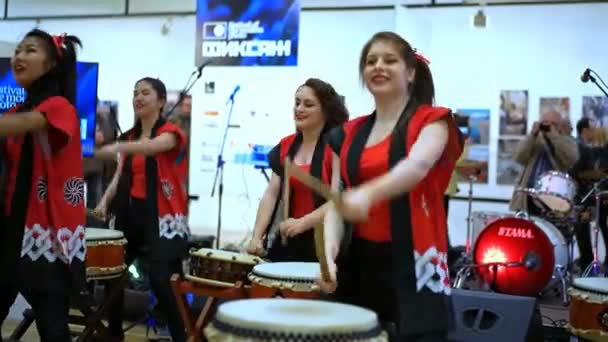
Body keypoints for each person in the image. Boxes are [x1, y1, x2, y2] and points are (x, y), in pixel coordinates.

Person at [318, 31, 463, 341]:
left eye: (389, 60)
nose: (378, 66)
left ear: (410, 72)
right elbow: (336, 201)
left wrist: (368, 194)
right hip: (360, 263)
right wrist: (328, 253)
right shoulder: (347, 133)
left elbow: (416, 166)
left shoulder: (433, 121)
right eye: (371, 61)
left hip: (416, 264)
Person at [0, 29, 85, 342]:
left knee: (52, 328)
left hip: (45, 236)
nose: (19, 56)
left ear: (51, 65)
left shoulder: (59, 107)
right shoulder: (13, 111)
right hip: (9, 230)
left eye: (30, 50)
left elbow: (27, 124)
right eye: (18, 50)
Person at [94, 77, 189, 342]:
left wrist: (118, 146)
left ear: (160, 101)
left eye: (145, 93)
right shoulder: (130, 137)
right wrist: (104, 201)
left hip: (162, 218)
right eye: (135, 93)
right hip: (131, 215)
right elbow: (120, 175)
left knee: (161, 280)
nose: (138, 97)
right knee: (112, 274)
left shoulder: (171, 132)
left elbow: (152, 147)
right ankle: (113, 334)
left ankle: (181, 335)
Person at [246, 78, 349, 261]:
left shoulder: (337, 147)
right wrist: (256, 237)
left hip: (328, 241)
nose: (299, 109)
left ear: (325, 111)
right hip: (290, 235)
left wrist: (303, 223)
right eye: (297, 102)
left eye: (308, 104)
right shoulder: (286, 145)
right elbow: (271, 194)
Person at [509, 111, 578, 215]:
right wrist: (532, 135)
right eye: (545, 122)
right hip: (528, 195)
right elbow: (518, 157)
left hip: (554, 196)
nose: (548, 126)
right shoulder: (534, 140)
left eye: (553, 123)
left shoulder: (567, 140)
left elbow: (571, 159)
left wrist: (555, 137)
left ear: (560, 126)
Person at [570, 117, 608, 271]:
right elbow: (577, 172)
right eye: (593, 128)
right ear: (585, 130)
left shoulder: (589, 147)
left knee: (595, 228)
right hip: (582, 196)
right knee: (583, 230)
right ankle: (587, 261)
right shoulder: (580, 147)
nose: (596, 131)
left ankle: (588, 260)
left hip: (590, 195)